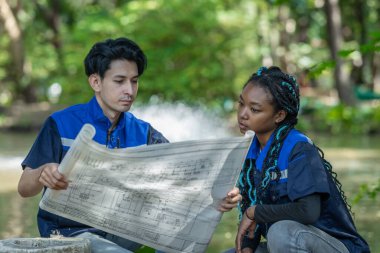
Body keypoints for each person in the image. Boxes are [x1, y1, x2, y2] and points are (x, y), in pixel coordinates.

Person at [17, 37, 241, 253]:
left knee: (184, 239)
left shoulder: (145, 133)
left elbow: (183, 179)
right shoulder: (61, 123)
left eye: (134, 81)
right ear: (96, 82)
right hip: (71, 232)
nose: (130, 90)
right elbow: (25, 188)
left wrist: (220, 193)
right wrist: (44, 172)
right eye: (119, 81)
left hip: (128, 230)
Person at [226, 66, 370, 253]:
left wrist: (254, 212)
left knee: (281, 232)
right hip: (286, 245)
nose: (243, 114)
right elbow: (253, 217)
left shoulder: (298, 148)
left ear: (279, 115)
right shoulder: (250, 152)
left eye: (254, 109)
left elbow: (308, 211)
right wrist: (247, 248)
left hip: (332, 246)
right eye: (241, 104)